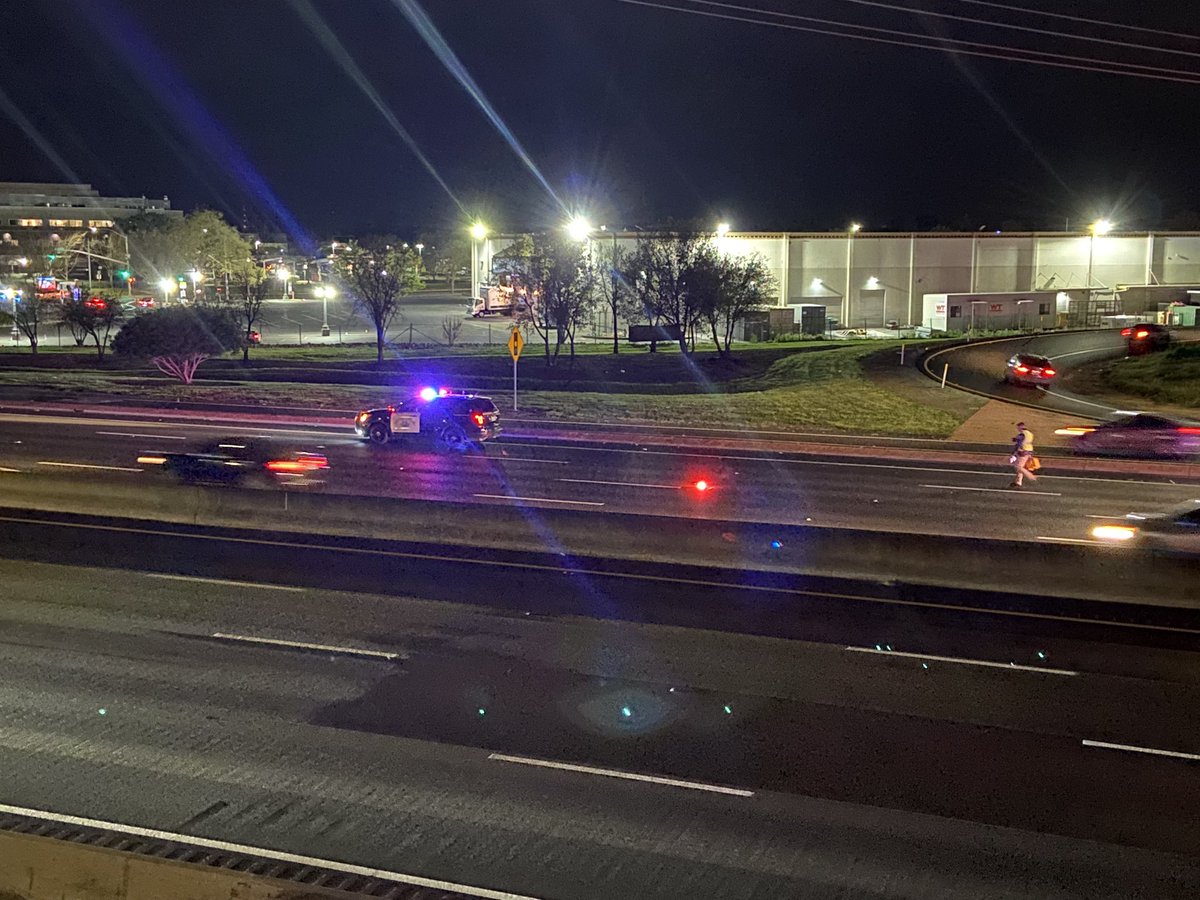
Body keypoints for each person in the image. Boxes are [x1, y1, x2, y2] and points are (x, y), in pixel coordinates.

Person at [1010, 422, 1038, 488]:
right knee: (1020, 466)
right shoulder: (1030, 433)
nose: (1017, 429)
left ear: (1020, 427)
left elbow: (1019, 443)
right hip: (1029, 451)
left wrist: (1014, 452)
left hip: (1023, 451)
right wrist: (1015, 439)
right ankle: (1018, 482)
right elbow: (1025, 440)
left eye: (1018, 428)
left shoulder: (1022, 434)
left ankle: (1030, 476)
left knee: (1018, 467)